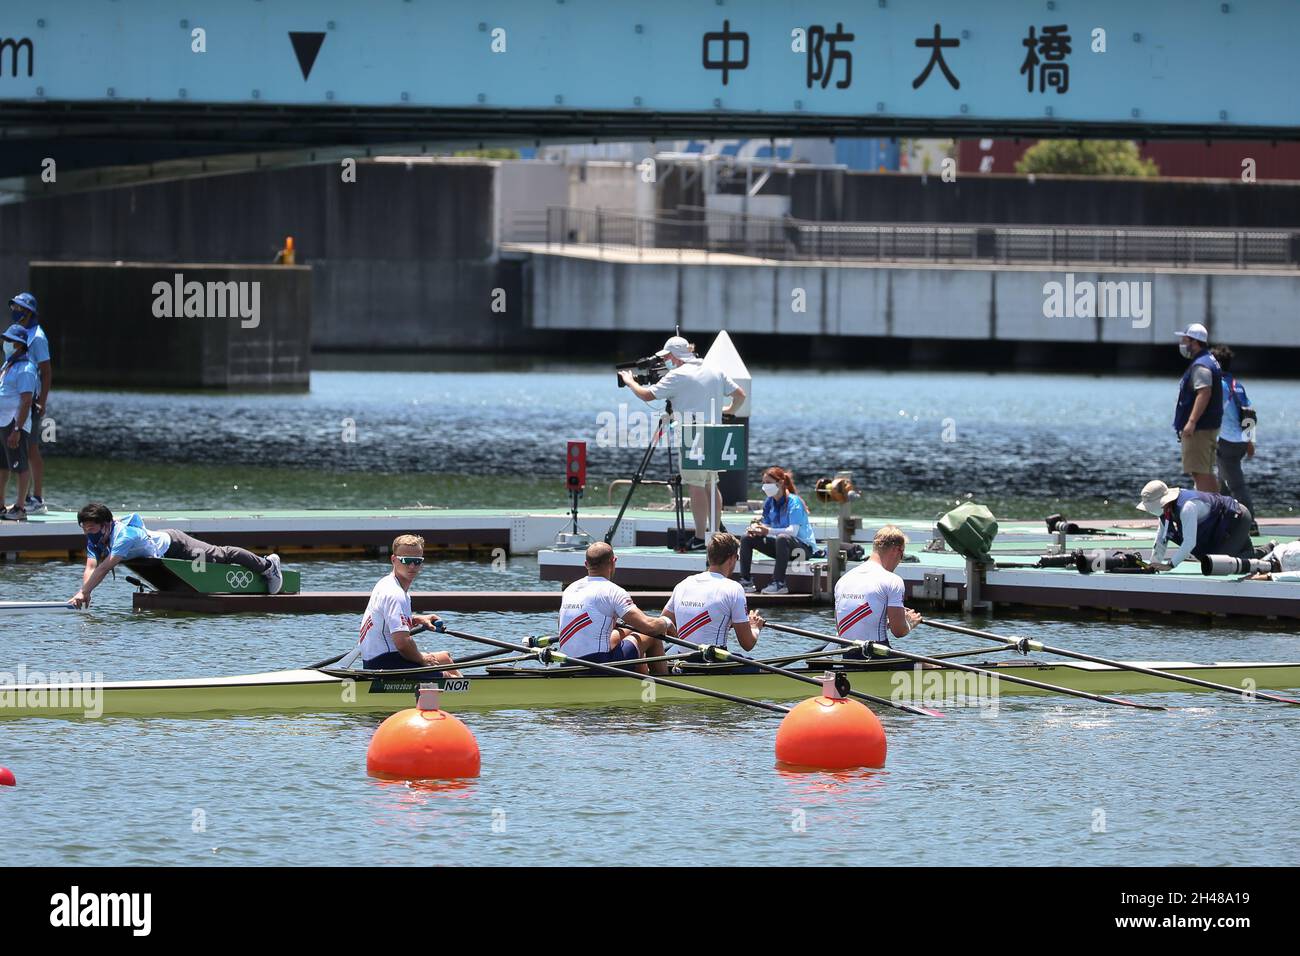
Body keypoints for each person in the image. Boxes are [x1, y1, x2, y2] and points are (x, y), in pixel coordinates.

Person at [620, 335, 746, 551]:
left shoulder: (677, 376)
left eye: (667, 357)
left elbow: (647, 395)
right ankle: (714, 534)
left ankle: (699, 538)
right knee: (711, 482)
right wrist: (728, 411)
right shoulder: (714, 369)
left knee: (696, 485)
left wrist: (630, 382)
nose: (665, 361)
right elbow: (740, 395)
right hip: (715, 432)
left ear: (674, 356)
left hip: (692, 433)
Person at [70, 502, 284, 607]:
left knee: (221, 556)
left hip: (178, 546)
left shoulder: (124, 535)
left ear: (106, 525)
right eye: (85, 528)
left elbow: (105, 567)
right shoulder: (95, 536)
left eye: (92, 528)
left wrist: (83, 592)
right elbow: (91, 566)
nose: (88, 533)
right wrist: (86, 592)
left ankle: (268, 566)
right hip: (161, 554)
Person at [557, 541, 671, 676]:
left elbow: (560, 624)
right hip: (599, 666)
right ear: (613, 561)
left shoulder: (570, 589)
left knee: (625, 632)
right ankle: (656, 686)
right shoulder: (613, 591)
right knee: (651, 635)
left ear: (586, 564)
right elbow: (649, 626)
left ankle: (640, 679)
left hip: (567, 664)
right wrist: (666, 622)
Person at [357, 534, 459, 674]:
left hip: (378, 658)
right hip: (385, 665)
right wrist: (422, 660)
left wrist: (416, 619)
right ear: (394, 560)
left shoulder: (386, 583)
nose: (412, 566)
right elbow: (403, 643)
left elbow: (388, 620)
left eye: (417, 561)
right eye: (406, 561)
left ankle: (468, 694)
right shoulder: (395, 594)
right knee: (446, 677)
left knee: (445, 658)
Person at [662, 532, 765, 662]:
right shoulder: (733, 588)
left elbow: (663, 622)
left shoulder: (684, 583)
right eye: (737, 558)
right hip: (711, 661)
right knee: (762, 670)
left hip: (682, 658)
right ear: (732, 558)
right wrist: (754, 627)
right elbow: (747, 644)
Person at [834, 525, 922, 656]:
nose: (900, 559)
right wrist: (909, 622)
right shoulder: (892, 581)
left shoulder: (843, 580)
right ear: (896, 550)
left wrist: (884, 620)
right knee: (934, 668)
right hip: (875, 656)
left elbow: (842, 628)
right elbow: (898, 632)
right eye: (902, 553)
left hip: (848, 654)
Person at [1136, 480, 1253, 571]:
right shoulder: (1165, 510)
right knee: (1208, 559)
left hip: (1238, 519)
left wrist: (1170, 565)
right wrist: (1153, 564)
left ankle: (1261, 551)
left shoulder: (1187, 507)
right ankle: (1244, 547)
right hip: (1219, 526)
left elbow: (1189, 542)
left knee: (1218, 565)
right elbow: (1162, 538)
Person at [738, 466, 818, 595]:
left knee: (782, 537)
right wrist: (756, 529)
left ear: (780, 483)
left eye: (768, 483)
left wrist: (767, 531)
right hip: (781, 547)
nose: (765, 486)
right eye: (763, 483)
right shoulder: (769, 502)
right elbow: (766, 525)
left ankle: (779, 583)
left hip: (801, 549)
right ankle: (746, 582)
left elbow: (793, 531)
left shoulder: (794, 502)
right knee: (747, 538)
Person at [1210, 346, 1259, 536]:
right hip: (1239, 441)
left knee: (1236, 485)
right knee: (1221, 481)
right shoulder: (1236, 385)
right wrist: (1250, 441)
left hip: (1226, 441)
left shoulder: (1219, 386)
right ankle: (1228, 519)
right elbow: (1249, 414)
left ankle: (1250, 523)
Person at [9, 293, 50, 515]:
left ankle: (37, 497)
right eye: (14, 306)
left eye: (20, 307)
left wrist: (42, 401)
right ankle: (23, 497)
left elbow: (46, 371)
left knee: (31, 447)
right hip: (16, 398)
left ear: (29, 311)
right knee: (20, 447)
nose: (15, 310)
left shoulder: (38, 336)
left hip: (30, 399)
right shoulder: (18, 330)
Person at [1172, 323, 1222, 493]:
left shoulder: (1201, 365)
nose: (1182, 343)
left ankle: (1211, 512)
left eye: (1184, 340)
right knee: (1205, 471)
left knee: (1199, 472)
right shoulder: (1209, 360)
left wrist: (1191, 422)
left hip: (1199, 429)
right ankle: (1218, 509)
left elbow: (1204, 393)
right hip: (1208, 426)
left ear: (1194, 342)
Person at [0, 324, 37, 519]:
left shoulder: (26, 368)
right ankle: (1, 504)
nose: (5, 343)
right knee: (2, 465)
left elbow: (26, 401)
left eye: (9, 341)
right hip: (1, 422)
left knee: (20, 466)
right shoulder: (8, 364)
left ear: (19, 345)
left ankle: (20, 508)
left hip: (14, 424)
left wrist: (17, 429)